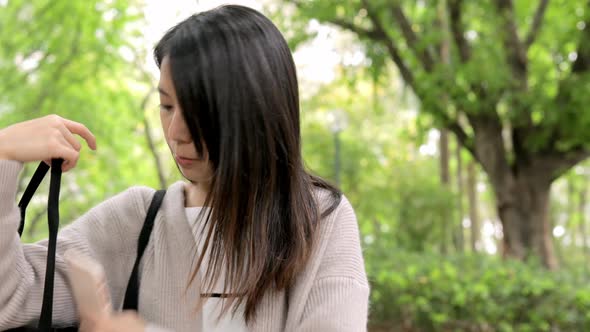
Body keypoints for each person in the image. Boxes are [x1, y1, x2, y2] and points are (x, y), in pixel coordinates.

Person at [0, 5, 369, 332]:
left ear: (254, 110)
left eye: (197, 110)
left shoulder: (320, 221)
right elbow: (9, 301)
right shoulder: (135, 221)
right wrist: (3, 156)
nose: (176, 132)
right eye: (166, 107)